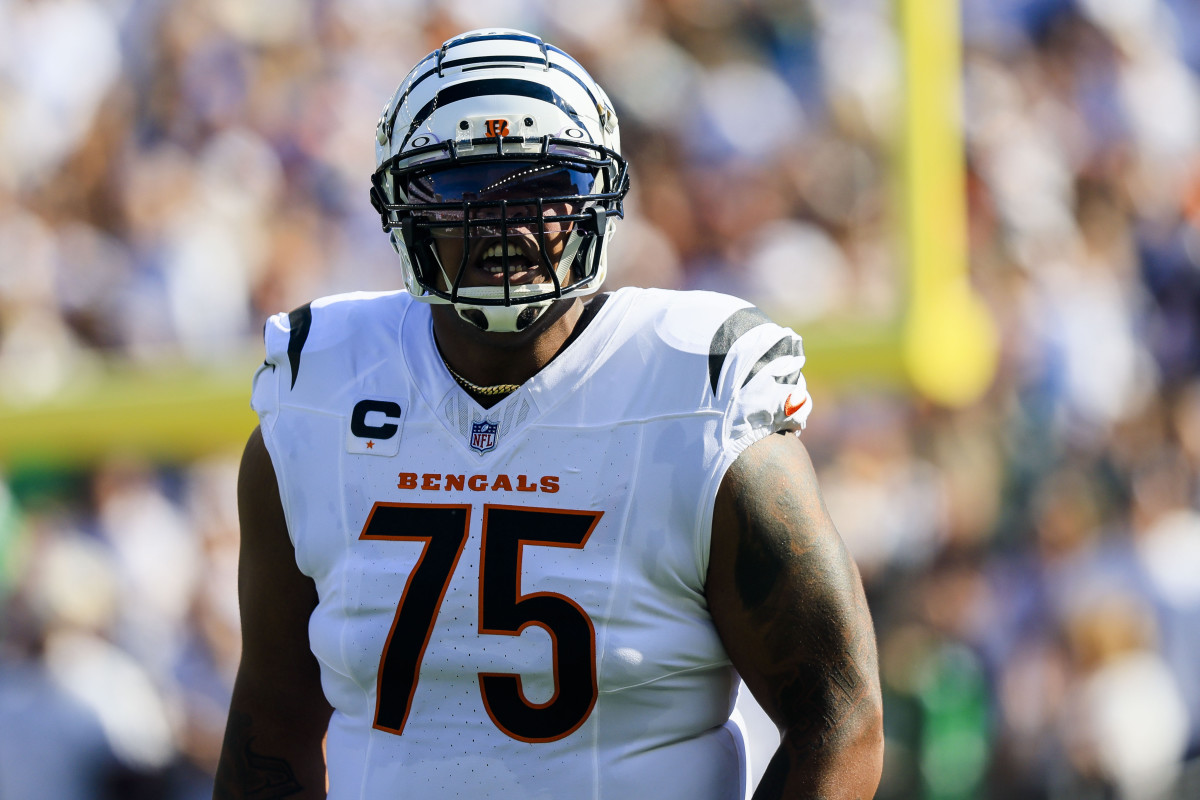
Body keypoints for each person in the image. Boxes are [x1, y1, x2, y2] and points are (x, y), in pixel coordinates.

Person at [214, 28, 883, 800]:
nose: (509, 222)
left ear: (600, 194)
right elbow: (272, 724)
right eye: (465, 186)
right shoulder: (319, 395)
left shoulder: (694, 396)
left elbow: (839, 718)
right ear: (403, 209)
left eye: (546, 183)